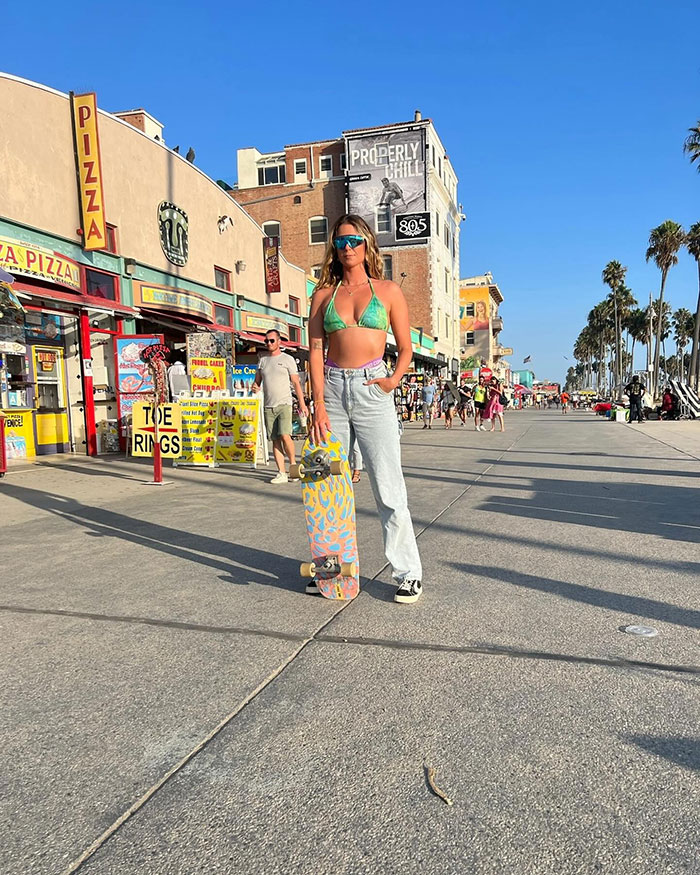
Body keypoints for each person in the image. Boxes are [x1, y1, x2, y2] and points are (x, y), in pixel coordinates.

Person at [308, 214, 422, 604]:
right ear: (334, 249)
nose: (347, 248)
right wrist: (318, 405)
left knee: (388, 486)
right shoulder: (323, 295)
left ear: (366, 244)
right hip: (334, 392)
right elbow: (316, 351)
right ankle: (330, 570)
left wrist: (392, 381)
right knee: (327, 488)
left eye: (354, 240)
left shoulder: (388, 291)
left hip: (374, 389)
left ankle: (407, 572)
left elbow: (405, 348)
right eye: (340, 242)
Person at [253, 330, 308, 484]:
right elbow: (257, 382)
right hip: (268, 405)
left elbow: (296, 383)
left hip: (284, 403)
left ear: (279, 342)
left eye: (271, 340)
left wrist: (302, 404)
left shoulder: (287, 359)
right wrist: (255, 387)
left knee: (285, 435)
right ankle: (281, 472)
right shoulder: (262, 361)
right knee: (275, 440)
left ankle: (293, 467)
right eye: (266, 341)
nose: (268, 343)